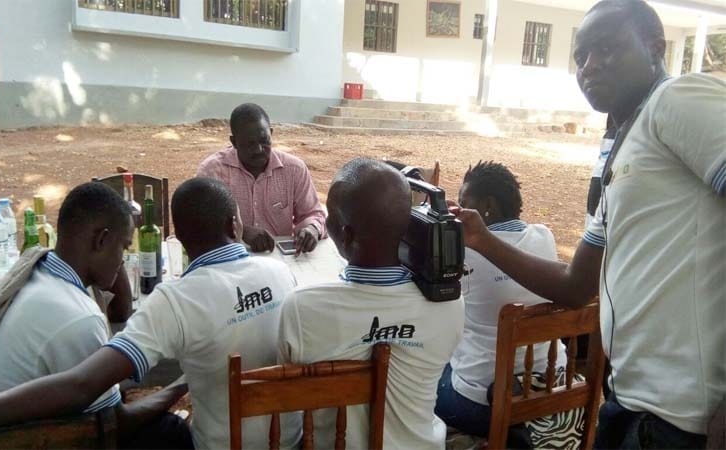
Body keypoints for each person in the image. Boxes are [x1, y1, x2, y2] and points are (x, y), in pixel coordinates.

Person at [450, 1, 725, 448]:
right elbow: (577, 284)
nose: (590, 65)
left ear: (656, 48)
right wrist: (481, 238)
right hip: (628, 403)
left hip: (687, 418)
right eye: (581, 56)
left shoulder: (676, 100)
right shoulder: (621, 152)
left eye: (608, 48)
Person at [0, 177, 301, 450]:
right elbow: (99, 407)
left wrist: (179, 386)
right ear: (235, 225)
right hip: (291, 440)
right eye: (124, 246)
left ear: (181, 240)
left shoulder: (174, 300)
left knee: (169, 429)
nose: (125, 257)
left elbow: (86, 385)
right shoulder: (280, 272)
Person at [0, 182, 191, 449]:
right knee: (171, 431)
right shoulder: (79, 318)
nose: (123, 261)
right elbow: (117, 424)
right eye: (124, 249)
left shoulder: (38, 270)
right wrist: (183, 385)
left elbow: (121, 309)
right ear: (100, 240)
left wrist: (112, 251)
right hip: (8, 440)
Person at [278, 158, 464, 449]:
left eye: (330, 217)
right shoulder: (451, 302)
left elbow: (287, 392)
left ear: (346, 234)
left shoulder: (303, 308)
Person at [434, 161, 566, 438]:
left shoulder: (462, 253)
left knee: (417, 375)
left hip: (483, 404)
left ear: (488, 206)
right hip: (551, 390)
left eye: (464, 202)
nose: (458, 209)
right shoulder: (544, 237)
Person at [197, 103, 326, 254]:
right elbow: (202, 225)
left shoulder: (294, 169)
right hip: (230, 260)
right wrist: (242, 232)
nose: (258, 149)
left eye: (264, 141)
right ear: (234, 142)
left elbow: (312, 213)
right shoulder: (213, 172)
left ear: (271, 133)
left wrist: (311, 228)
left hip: (281, 261)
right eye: (249, 144)